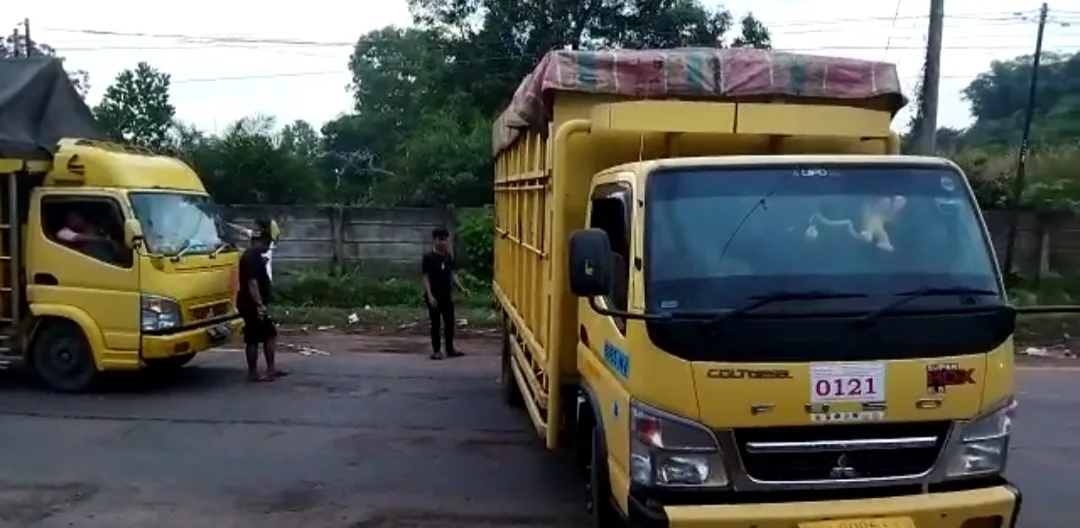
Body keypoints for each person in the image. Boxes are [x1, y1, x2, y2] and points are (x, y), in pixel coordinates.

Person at [237, 229, 286, 382]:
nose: (267, 247)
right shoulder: (250, 257)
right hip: (251, 304)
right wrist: (259, 304)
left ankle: (269, 369)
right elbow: (252, 283)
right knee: (255, 337)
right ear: (257, 241)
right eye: (266, 243)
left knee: (266, 334)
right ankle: (254, 372)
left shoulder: (255, 256)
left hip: (253, 303)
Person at [422, 228, 470, 360]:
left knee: (450, 322)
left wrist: (462, 288)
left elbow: (452, 274)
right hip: (434, 295)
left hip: (446, 294)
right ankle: (436, 350)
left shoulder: (448, 256)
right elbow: (425, 277)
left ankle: (450, 349)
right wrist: (430, 295)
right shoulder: (429, 258)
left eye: (445, 239)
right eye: (440, 239)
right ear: (434, 240)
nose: (443, 242)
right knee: (436, 323)